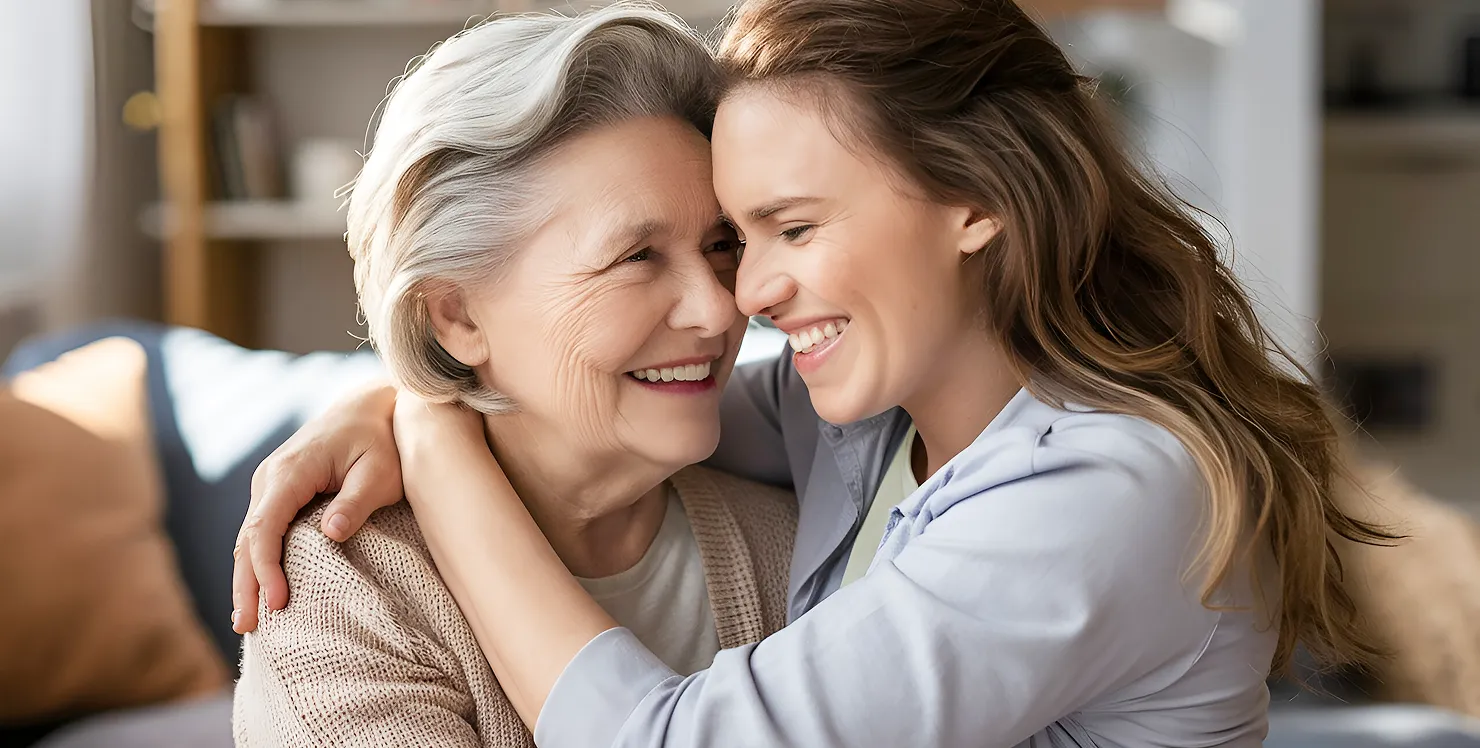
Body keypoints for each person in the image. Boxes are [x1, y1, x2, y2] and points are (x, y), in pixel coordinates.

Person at [232, 0, 1396, 745]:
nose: (738, 300)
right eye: (735, 239)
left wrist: (433, 438)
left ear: (977, 202)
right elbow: (614, 398)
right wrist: (392, 397)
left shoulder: (1104, 490)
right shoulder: (857, 415)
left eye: (784, 229)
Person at [230, 8, 798, 746]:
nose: (721, 308)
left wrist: (416, 416)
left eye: (720, 244)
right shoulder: (347, 589)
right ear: (457, 317)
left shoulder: (789, 544)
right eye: (637, 257)